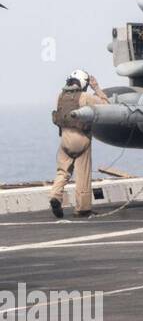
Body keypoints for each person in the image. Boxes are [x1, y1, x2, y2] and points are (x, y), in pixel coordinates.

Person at [48, 70, 108, 219]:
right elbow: (106, 106)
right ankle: (82, 209)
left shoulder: (59, 96)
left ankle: (55, 195)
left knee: (62, 171)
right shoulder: (85, 96)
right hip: (81, 138)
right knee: (83, 173)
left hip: (65, 139)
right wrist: (97, 88)